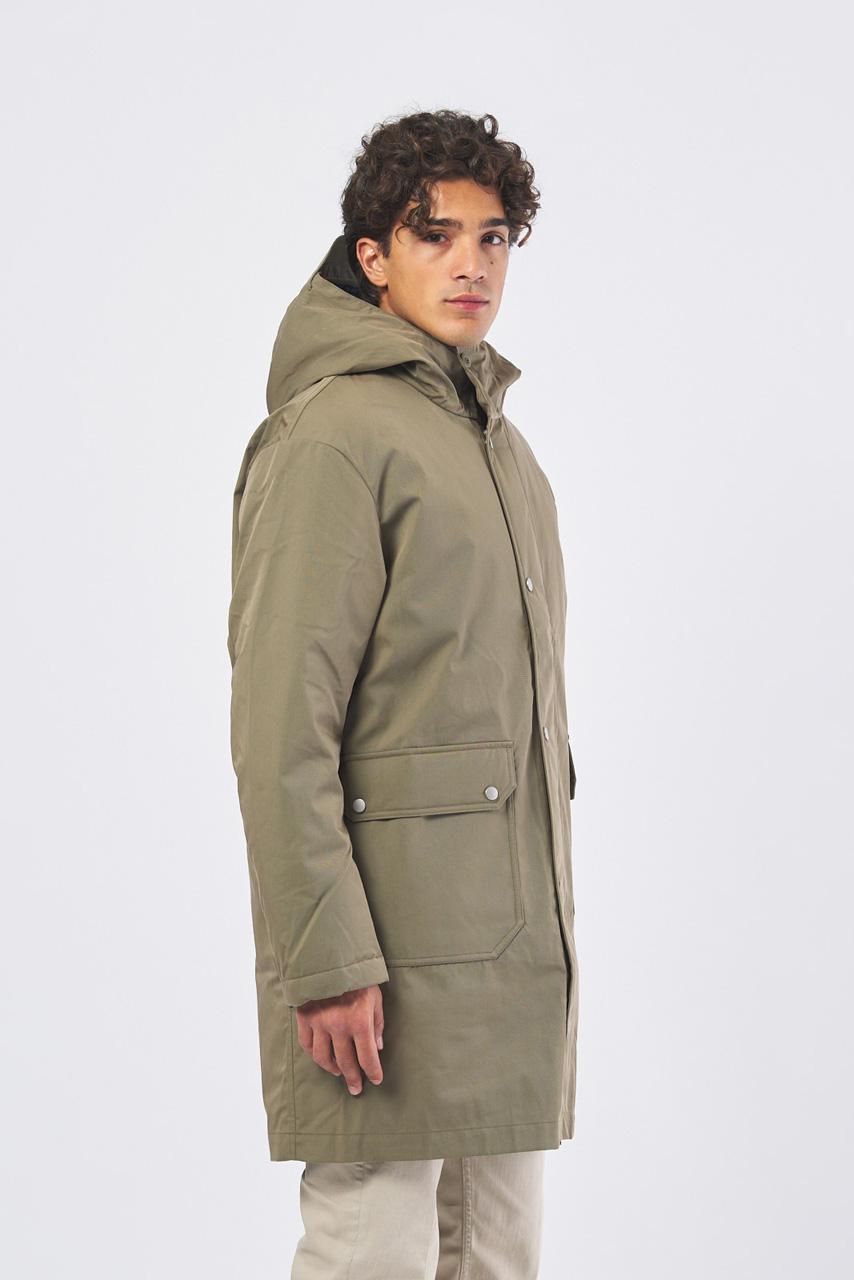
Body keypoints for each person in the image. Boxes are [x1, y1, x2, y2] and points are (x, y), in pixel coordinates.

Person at [227, 108, 580, 1279]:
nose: (470, 264)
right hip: (380, 955)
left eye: (492, 237)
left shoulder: (501, 448)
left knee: (499, 1252)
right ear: (372, 256)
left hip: (505, 952)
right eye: (435, 235)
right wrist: (323, 958)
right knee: (370, 1250)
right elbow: (281, 723)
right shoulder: (332, 436)